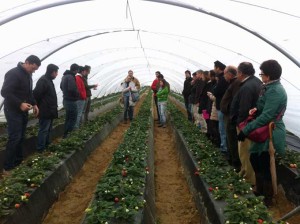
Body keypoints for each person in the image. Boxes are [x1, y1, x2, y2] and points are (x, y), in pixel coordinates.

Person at [237, 60, 287, 207]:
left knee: (265, 165)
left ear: (269, 75)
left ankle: (268, 199)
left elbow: (268, 116)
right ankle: (259, 191)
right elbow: (262, 109)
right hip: (262, 130)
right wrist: (256, 110)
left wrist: (246, 130)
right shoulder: (268, 87)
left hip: (271, 132)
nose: (261, 76)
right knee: (255, 160)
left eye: (262, 74)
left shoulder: (276, 91)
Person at [1, 55, 41, 173]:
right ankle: (7, 167)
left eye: (35, 70)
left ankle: (18, 162)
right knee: (15, 137)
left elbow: (29, 93)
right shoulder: (14, 73)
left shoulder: (28, 75)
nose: (33, 71)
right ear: (27, 62)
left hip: (22, 111)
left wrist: (34, 104)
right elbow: (5, 92)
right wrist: (20, 104)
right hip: (13, 110)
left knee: (21, 136)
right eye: (33, 68)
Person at [230, 62, 262, 186]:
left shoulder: (247, 86)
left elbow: (244, 109)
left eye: (237, 72)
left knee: (245, 152)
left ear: (241, 73)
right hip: (251, 124)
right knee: (246, 152)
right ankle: (244, 172)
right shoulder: (256, 82)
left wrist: (241, 126)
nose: (237, 75)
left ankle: (249, 180)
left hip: (246, 125)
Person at [33, 64, 59, 153]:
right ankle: (41, 149)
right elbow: (36, 94)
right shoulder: (43, 81)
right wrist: (37, 107)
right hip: (45, 110)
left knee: (48, 129)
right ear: (52, 72)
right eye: (56, 72)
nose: (57, 74)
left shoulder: (48, 80)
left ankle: (47, 145)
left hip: (50, 110)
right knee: (43, 130)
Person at [220, 65, 241, 170]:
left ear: (229, 74)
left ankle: (235, 163)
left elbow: (235, 101)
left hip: (231, 116)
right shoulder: (233, 83)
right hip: (229, 114)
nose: (224, 76)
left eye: (224, 73)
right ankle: (232, 159)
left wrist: (227, 108)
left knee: (232, 139)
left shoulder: (236, 83)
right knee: (229, 138)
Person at [213, 60, 230, 153]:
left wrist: (215, 88)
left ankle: (224, 149)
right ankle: (223, 146)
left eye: (214, 67)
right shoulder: (220, 78)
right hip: (221, 107)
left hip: (222, 107)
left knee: (222, 129)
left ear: (218, 68)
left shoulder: (222, 79)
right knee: (221, 128)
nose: (213, 69)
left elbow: (216, 91)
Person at [60, 63, 80, 138]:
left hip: (66, 99)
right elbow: (72, 89)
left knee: (68, 118)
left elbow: (61, 87)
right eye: (77, 70)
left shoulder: (64, 76)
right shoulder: (71, 77)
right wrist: (77, 94)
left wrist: (66, 93)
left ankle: (65, 134)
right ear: (76, 70)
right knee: (73, 118)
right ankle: (68, 134)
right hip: (71, 101)